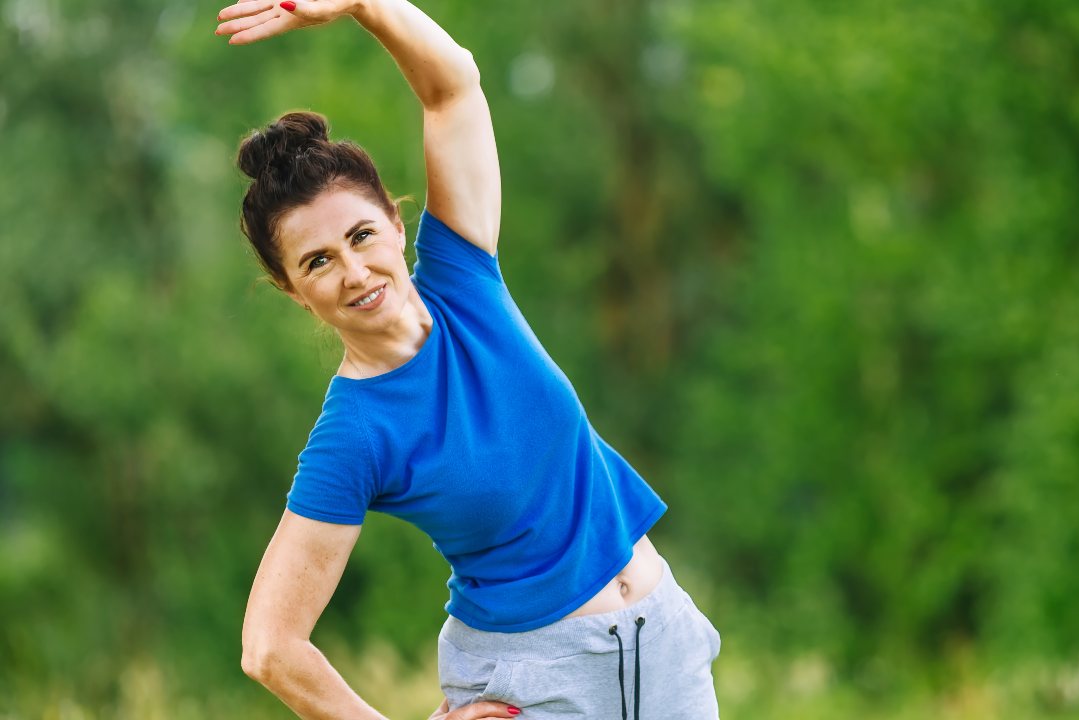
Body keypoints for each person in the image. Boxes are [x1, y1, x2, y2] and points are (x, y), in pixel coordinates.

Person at [214, 1, 721, 718]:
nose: (354, 272)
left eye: (361, 236)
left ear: (396, 222)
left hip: (664, 644)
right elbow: (269, 647)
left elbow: (452, 87)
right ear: (294, 292)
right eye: (318, 261)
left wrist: (364, 4)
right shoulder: (353, 434)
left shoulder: (463, 276)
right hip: (536, 685)